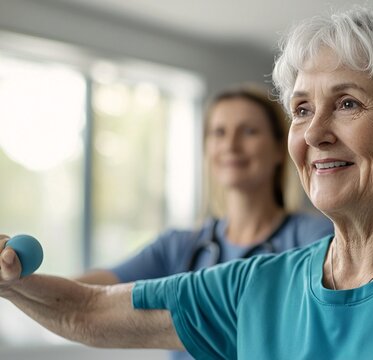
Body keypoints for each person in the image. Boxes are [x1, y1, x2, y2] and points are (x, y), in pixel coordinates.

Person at [0, 7, 373, 360]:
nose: (314, 132)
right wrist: (7, 281)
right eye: (299, 109)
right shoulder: (254, 287)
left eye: (346, 104)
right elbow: (86, 310)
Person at [76, 86, 334, 359]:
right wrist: (26, 275)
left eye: (249, 132)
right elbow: (87, 295)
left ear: (280, 148)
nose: (230, 146)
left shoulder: (315, 237)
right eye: (219, 133)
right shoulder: (177, 246)